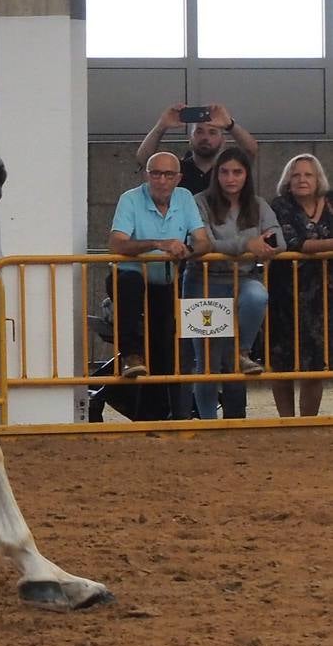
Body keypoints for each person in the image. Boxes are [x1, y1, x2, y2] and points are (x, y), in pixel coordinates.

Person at [182, 147, 276, 419]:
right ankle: (209, 422)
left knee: (258, 296)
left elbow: (277, 239)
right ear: (216, 175)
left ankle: (242, 350)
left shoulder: (259, 205)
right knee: (207, 362)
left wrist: (263, 245)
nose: (230, 178)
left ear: (247, 175)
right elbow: (205, 243)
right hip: (203, 281)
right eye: (224, 172)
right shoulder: (199, 201)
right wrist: (247, 244)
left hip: (244, 279)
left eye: (237, 172)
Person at [106, 151, 210, 392]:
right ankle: (130, 355)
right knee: (130, 283)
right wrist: (157, 244)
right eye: (156, 173)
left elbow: (204, 242)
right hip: (129, 278)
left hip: (165, 282)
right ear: (146, 175)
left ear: (178, 178)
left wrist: (187, 250)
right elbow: (116, 243)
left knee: (164, 349)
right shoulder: (130, 199)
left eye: (168, 174)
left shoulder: (185, 198)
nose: (161, 180)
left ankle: (160, 415)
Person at [267, 154, 333, 417]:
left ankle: (307, 421)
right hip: (286, 292)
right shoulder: (280, 206)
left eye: (308, 174)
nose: (302, 180)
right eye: (296, 175)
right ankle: (285, 420)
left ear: (319, 179)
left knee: (315, 361)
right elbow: (295, 243)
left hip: (324, 295)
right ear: (288, 180)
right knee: (282, 359)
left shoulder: (330, 204)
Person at [135, 103, 258, 196]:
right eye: (199, 132)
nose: (205, 138)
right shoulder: (177, 169)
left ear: (223, 140)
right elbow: (144, 159)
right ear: (190, 138)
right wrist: (161, 126)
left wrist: (230, 125)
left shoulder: (228, 170)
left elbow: (251, 150)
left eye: (212, 132)